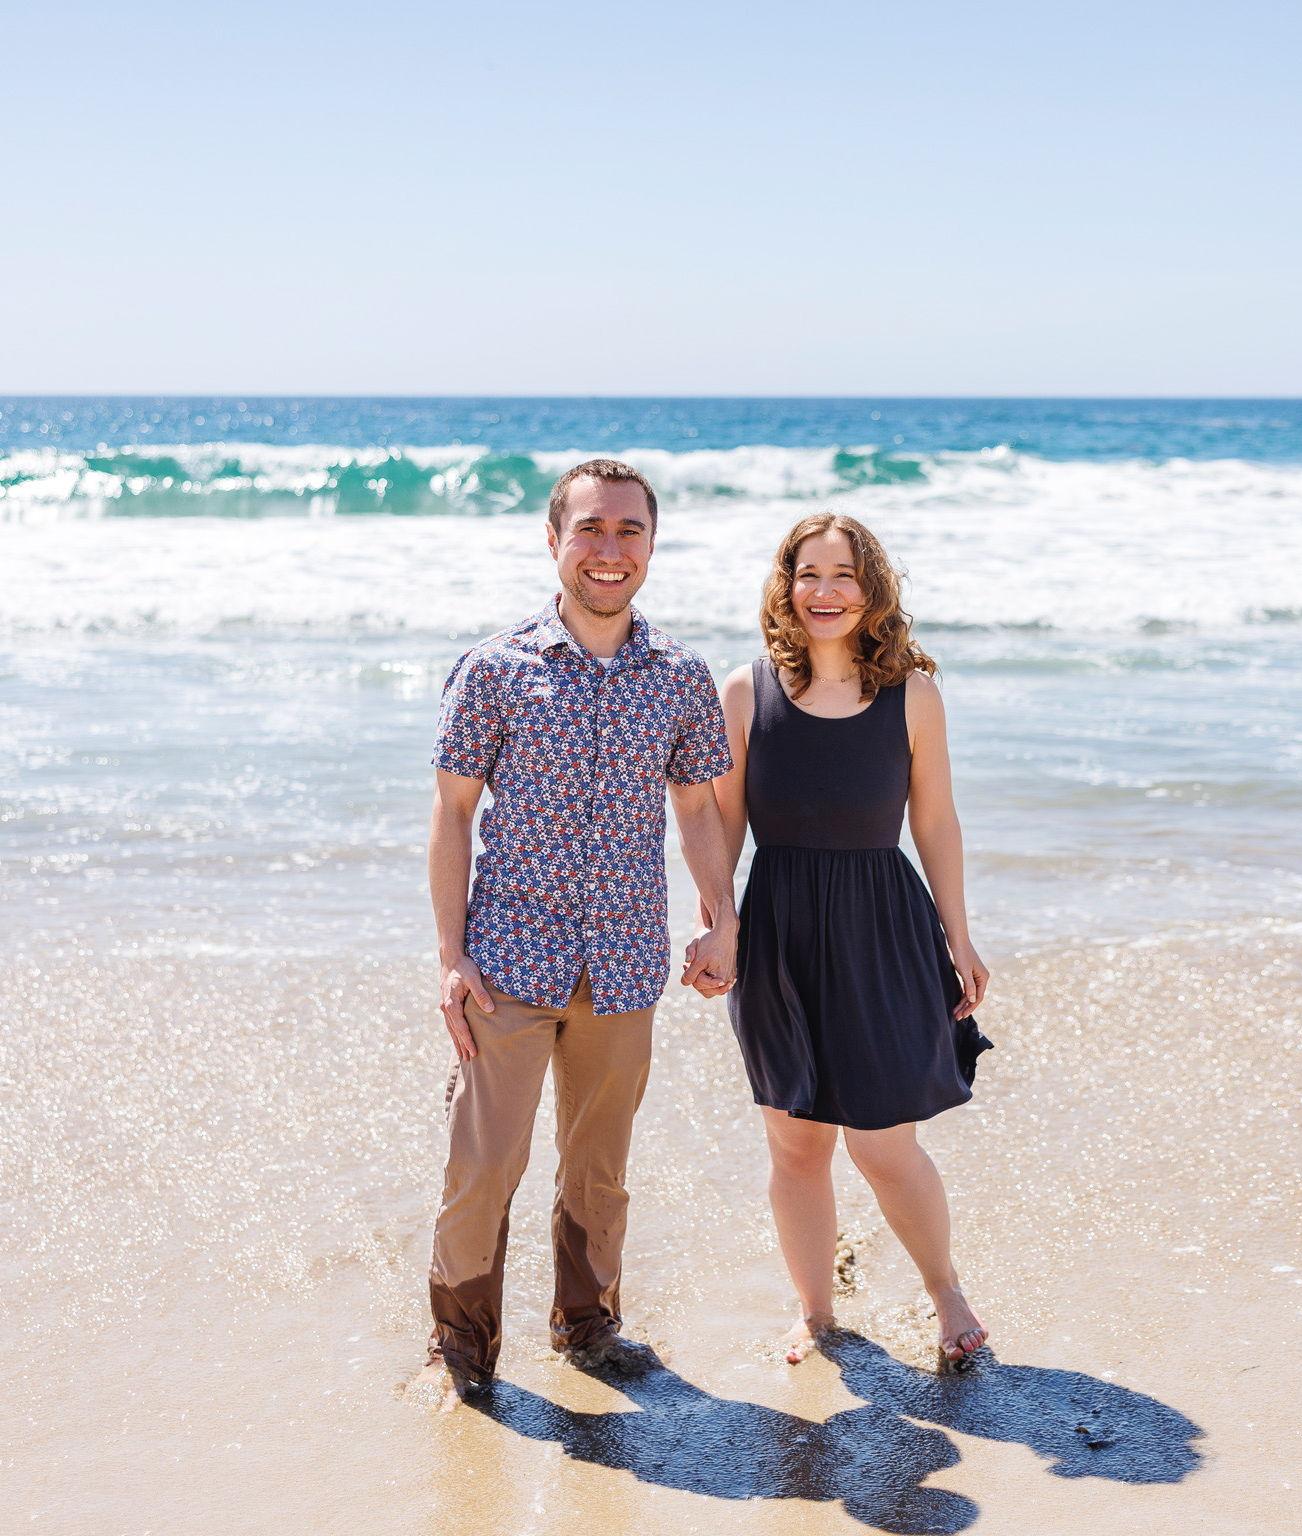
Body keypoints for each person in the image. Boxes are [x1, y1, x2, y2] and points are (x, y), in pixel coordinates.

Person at [417, 458, 738, 1407]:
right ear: (553, 541)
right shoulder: (494, 669)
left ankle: (588, 1326)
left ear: (651, 544)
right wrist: (450, 956)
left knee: (600, 1170)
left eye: (628, 531)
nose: (609, 550)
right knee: (483, 1167)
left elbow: (697, 810)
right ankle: (461, 1349)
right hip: (508, 964)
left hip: (626, 965)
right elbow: (450, 815)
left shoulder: (680, 676)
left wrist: (721, 922)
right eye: (590, 530)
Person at [699, 511, 993, 1367]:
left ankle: (947, 1296)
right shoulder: (744, 692)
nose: (823, 592)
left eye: (843, 576)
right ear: (784, 587)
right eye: (808, 574)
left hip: (882, 930)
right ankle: (817, 1314)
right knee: (794, 1141)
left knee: (883, 1140)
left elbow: (935, 821)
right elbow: (718, 825)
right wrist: (718, 923)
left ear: (871, 592)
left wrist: (960, 938)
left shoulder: (913, 696)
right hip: (779, 932)